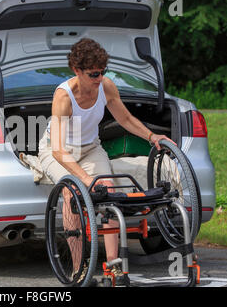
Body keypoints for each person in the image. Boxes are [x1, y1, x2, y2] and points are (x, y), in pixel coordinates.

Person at [38, 38, 175, 285]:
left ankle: (114, 266)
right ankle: (78, 269)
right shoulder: (64, 97)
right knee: (73, 194)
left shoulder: (106, 86)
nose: (99, 78)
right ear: (76, 70)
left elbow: (125, 118)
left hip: (90, 148)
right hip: (56, 150)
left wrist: (152, 136)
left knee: (110, 192)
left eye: (103, 72)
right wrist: (86, 179)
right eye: (93, 74)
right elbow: (58, 150)